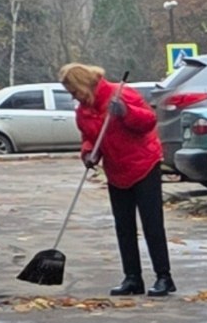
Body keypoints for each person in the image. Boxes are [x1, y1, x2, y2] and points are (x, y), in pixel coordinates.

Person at [62, 62, 174, 297]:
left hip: (144, 163)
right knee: (124, 226)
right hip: (116, 169)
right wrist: (89, 153)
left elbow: (148, 121)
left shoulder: (120, 94)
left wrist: (126, 112)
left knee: (152, 223)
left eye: (73, 91)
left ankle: (164, 277)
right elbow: (89, 137)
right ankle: (132, 278)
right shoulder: (83, 111)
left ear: (83, 85)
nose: (73, 96)